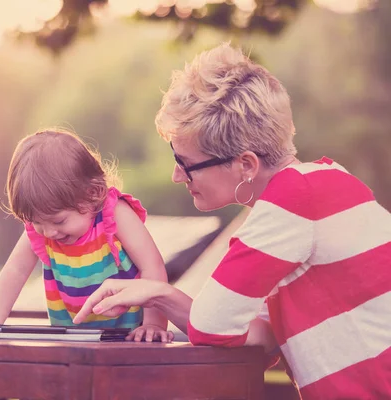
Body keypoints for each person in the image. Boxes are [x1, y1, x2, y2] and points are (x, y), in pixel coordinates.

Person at [73, 43, 391, 399]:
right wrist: (161, 297)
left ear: (246, 165)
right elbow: (262, 336)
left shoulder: (291, 202)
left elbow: (211, 325)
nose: (178, 176)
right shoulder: (326, 184)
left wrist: (159, 293)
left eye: (187, 164)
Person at [0, 129, 171, 342]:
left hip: (128, 338)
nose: (49, 232)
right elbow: (14, 271)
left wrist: (153, 324)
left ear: (93, 193)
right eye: (36, 222)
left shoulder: (115, 214)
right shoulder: (42, 231)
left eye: (59, 221)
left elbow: (152, 266)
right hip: (71, 339)